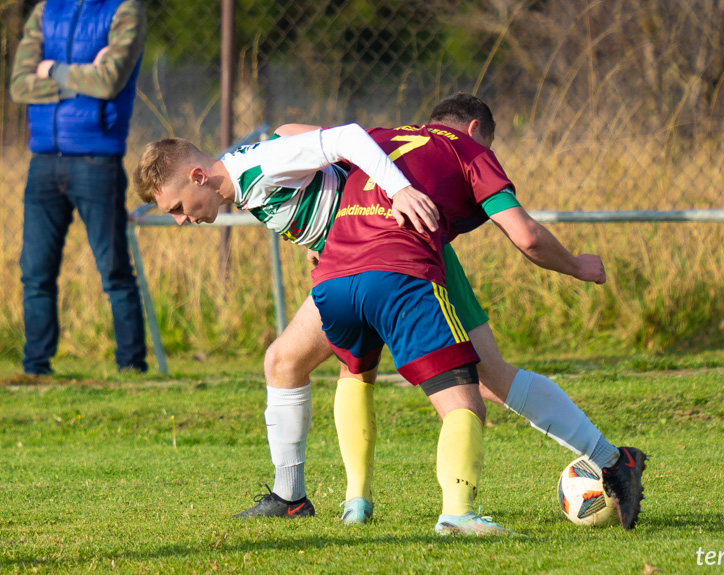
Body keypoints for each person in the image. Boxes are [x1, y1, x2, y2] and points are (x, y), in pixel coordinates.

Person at [133, 94, 646, 533]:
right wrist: (322, 231)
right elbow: (294, 136)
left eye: (177, 207)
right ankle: (301, 498)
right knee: (286, 361)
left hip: (396, 249)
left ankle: (602, 459)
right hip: (361, 253)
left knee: (481, 380)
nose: (179, 221)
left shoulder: (338, 147)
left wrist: (392, 192)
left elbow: (333, 137)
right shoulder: (246, 171)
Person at [10, 0, 149, 375]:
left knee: (114, 270)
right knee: (35, 272)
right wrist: (79, 81)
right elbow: (19, 85)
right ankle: (35, 366)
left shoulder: (125, 11)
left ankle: (131, 365)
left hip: (97, 161)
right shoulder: (44, 11)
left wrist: (51, 70)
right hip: (43, 161)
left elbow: (109, 81)